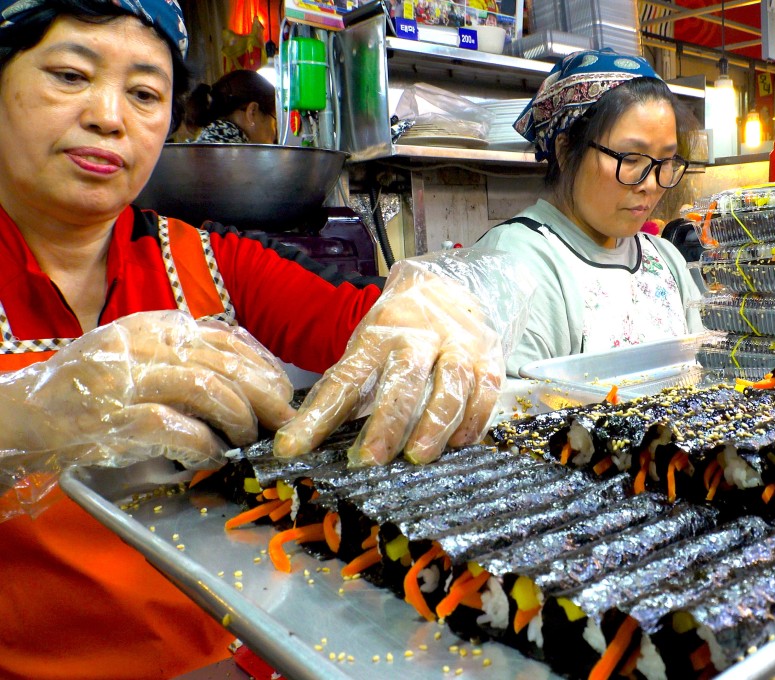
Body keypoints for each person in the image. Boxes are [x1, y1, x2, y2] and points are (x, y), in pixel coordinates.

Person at [0, 1, 514, 678]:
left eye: (146, 92)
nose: (109, 116)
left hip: (258, 653)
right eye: (70, 75)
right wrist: (22, 414)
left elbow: (364, 325)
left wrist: (432, 311)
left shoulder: (213, 261)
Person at [475, 49, 704, 376]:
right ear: (566, 151)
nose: (650, 184)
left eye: (664, 163)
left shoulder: (667, 260)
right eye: (630, 159)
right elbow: (523, 409)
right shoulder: (517, 261)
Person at [191, 67, 277, 143]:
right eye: (274, 123)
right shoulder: (242, 157)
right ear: (252, 112)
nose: (275, 134)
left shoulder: (198, 148)